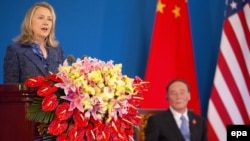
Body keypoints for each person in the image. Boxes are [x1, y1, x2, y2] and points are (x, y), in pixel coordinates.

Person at [3, 2, 64, 84]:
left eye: (50, 19)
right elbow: (10, 90)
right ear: (30, 22)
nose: (46, 22)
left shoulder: (57, 51)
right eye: (40, 18)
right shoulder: (15, 50)